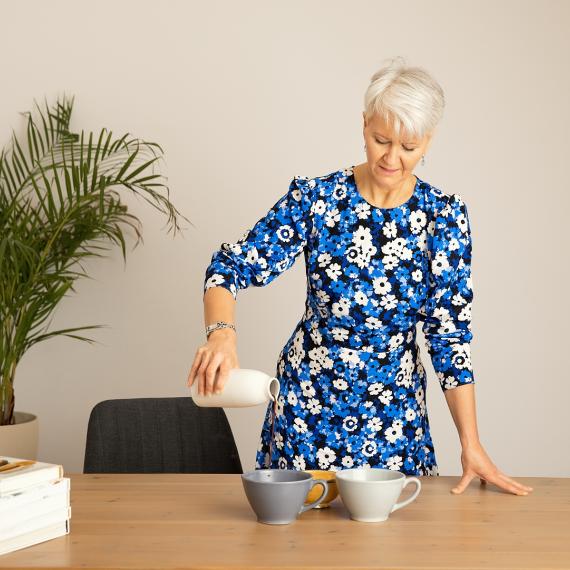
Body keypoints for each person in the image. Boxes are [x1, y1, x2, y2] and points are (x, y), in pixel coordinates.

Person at [188, 57, 533, 496]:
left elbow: (448, 337)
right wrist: (221, 333)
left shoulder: (443, 217)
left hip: (396, 421)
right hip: (307, 411)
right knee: (297, 552)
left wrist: (472, 443)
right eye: (380, 139)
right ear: (364, 123)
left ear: (429, 141)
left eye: (408, 147)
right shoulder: (317, 200)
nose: (391, 158)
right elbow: (230, 266)